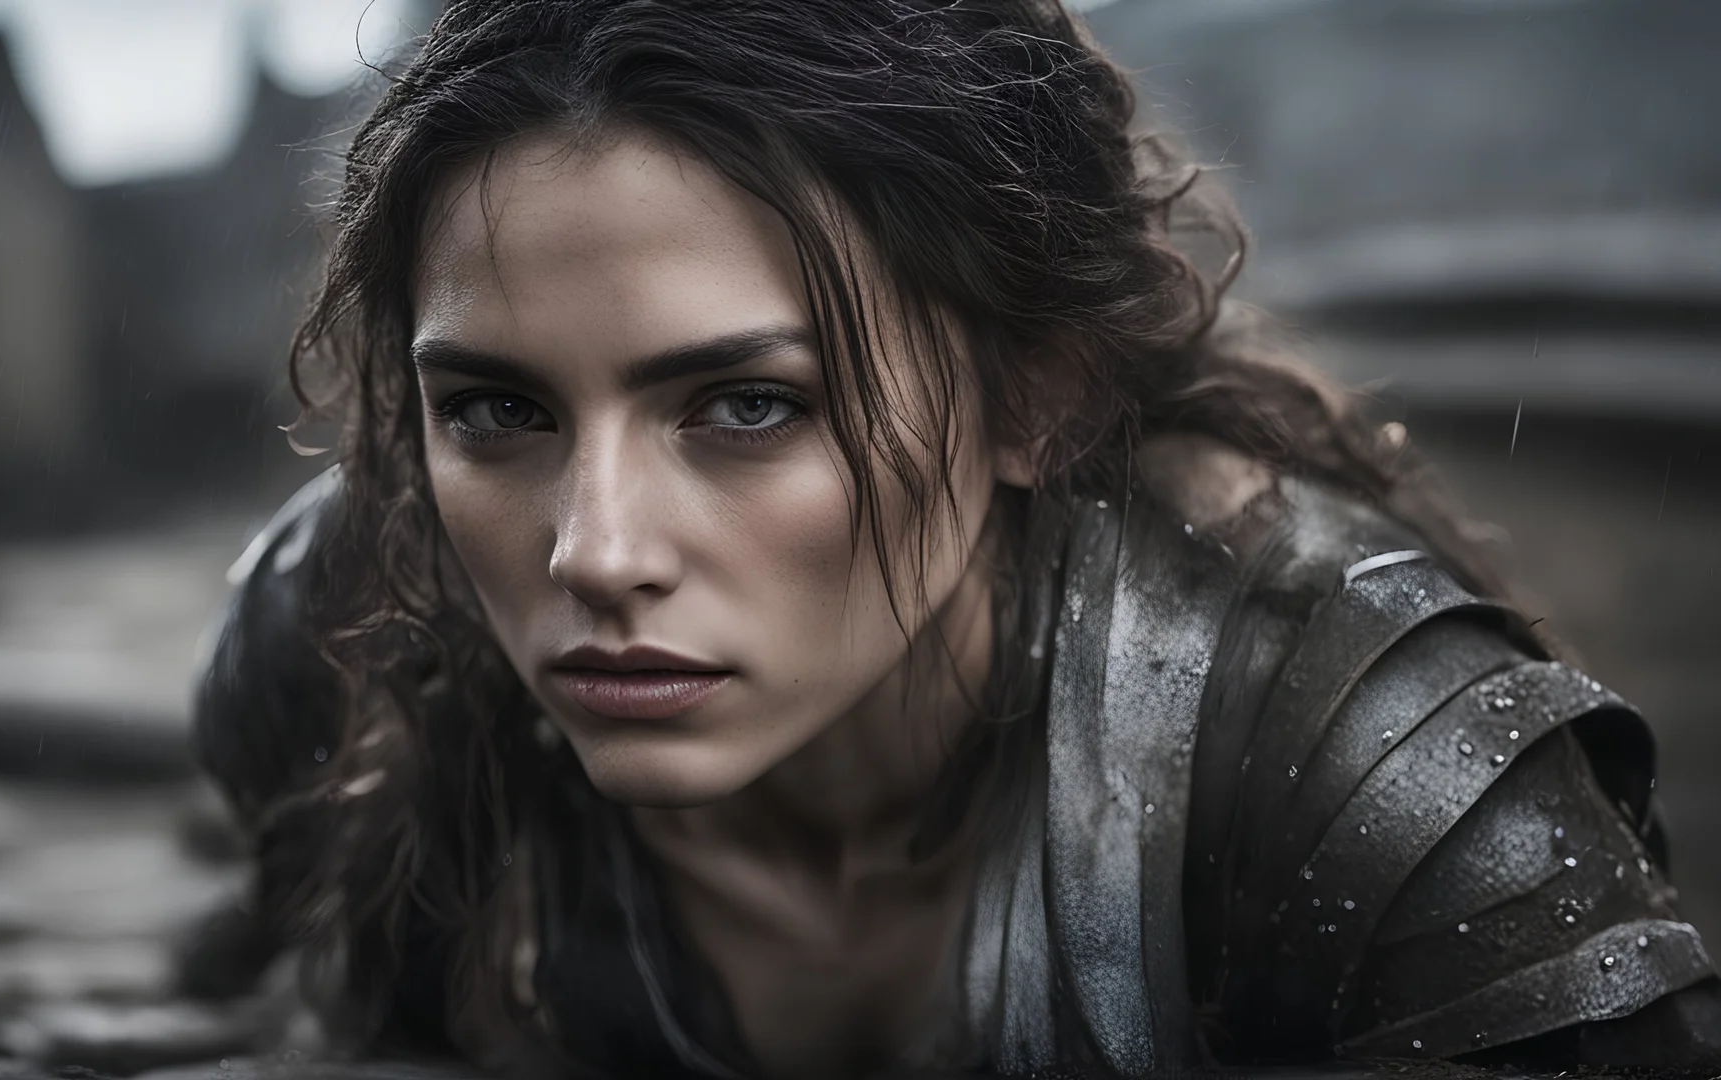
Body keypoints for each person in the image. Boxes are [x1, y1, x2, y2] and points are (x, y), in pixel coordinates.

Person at [178, 0, 1721, 1075]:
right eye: (499, 414)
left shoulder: (1366, 755)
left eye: (744, 406)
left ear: (1032, 397)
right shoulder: (336, 658)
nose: (591, 551)